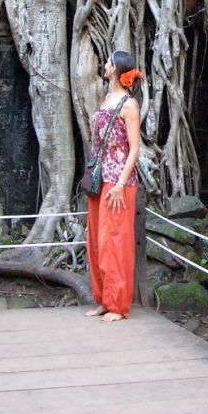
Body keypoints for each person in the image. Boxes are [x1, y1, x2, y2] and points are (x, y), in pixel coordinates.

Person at [85, 50, 142, 321]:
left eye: (108, 61)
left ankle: (118, 305)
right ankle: (103, 299)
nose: (105, 64)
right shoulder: (106, 99)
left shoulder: (129, 105)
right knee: (97, 240)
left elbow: (134, 149)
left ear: (116, 69)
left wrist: (119, 184)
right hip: (99, 180)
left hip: (119, 183)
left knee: (115, 242)